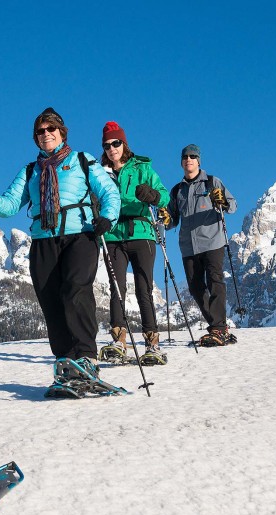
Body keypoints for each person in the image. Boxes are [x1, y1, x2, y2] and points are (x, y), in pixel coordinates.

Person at [0, 107, 120, 379]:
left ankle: (86, 356)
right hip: (43, 240)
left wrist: (108, 217)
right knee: (50, 301)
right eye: (41, 130)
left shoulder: (81, 160)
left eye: (51, 129)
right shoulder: (30, 171)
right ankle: (65, 361)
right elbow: (10, 204)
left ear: (62, 132)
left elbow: (108, 191)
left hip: (81, 236)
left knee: (75, 290)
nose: (46, 133)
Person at [96, 121, 169, 366]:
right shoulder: (99, 171)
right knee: (117, 289)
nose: (111, 148)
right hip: (114, 234)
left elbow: (164, 195)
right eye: (107, 145)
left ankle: (152, 343)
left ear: (123, 144)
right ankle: (118, 340)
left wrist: (153, 196)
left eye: (115, 143)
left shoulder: (142, 167)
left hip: (141, 232)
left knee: (143, 288)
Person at [160, 144, 238, 346]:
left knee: (215, 281)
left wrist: (223, 202)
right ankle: (218, 327)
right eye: (185, 157)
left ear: (199, 160)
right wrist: (165, 219)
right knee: (195, 288)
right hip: (188, 246)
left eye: (193, 156)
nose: (188, 159)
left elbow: (232, 205)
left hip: (213, 241)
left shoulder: (212, 182)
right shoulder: (177, 190)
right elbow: (172, 220)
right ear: (181, 162)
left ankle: (218, 328)